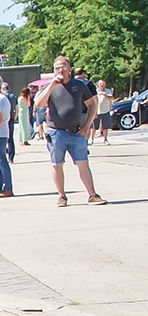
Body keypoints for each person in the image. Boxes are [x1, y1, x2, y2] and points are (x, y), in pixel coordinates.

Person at [34, 55, 106, 206]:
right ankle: (61, 195)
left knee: (83, 163)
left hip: (76, 131)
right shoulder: (50, 87)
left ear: (70, 69)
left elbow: (92, 105)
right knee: (57, 164)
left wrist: (87, 125)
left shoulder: (79, 85)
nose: (60, 70)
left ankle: (92, 195)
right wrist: (52, 86)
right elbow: (39, 104)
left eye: (63, 67)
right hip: (56, 131)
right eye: (57, 68)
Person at [93, 79, 113, 143]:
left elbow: (112, 98)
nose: (102, 85)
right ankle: (91, 139)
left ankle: (105, 139)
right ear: (98, 85)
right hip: (96, 110)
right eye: (101, 84)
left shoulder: (107, 91)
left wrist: (105, 95)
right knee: (94, 126)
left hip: (105, 110)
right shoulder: (95, 91)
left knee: (105, 126)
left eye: (103, 84)